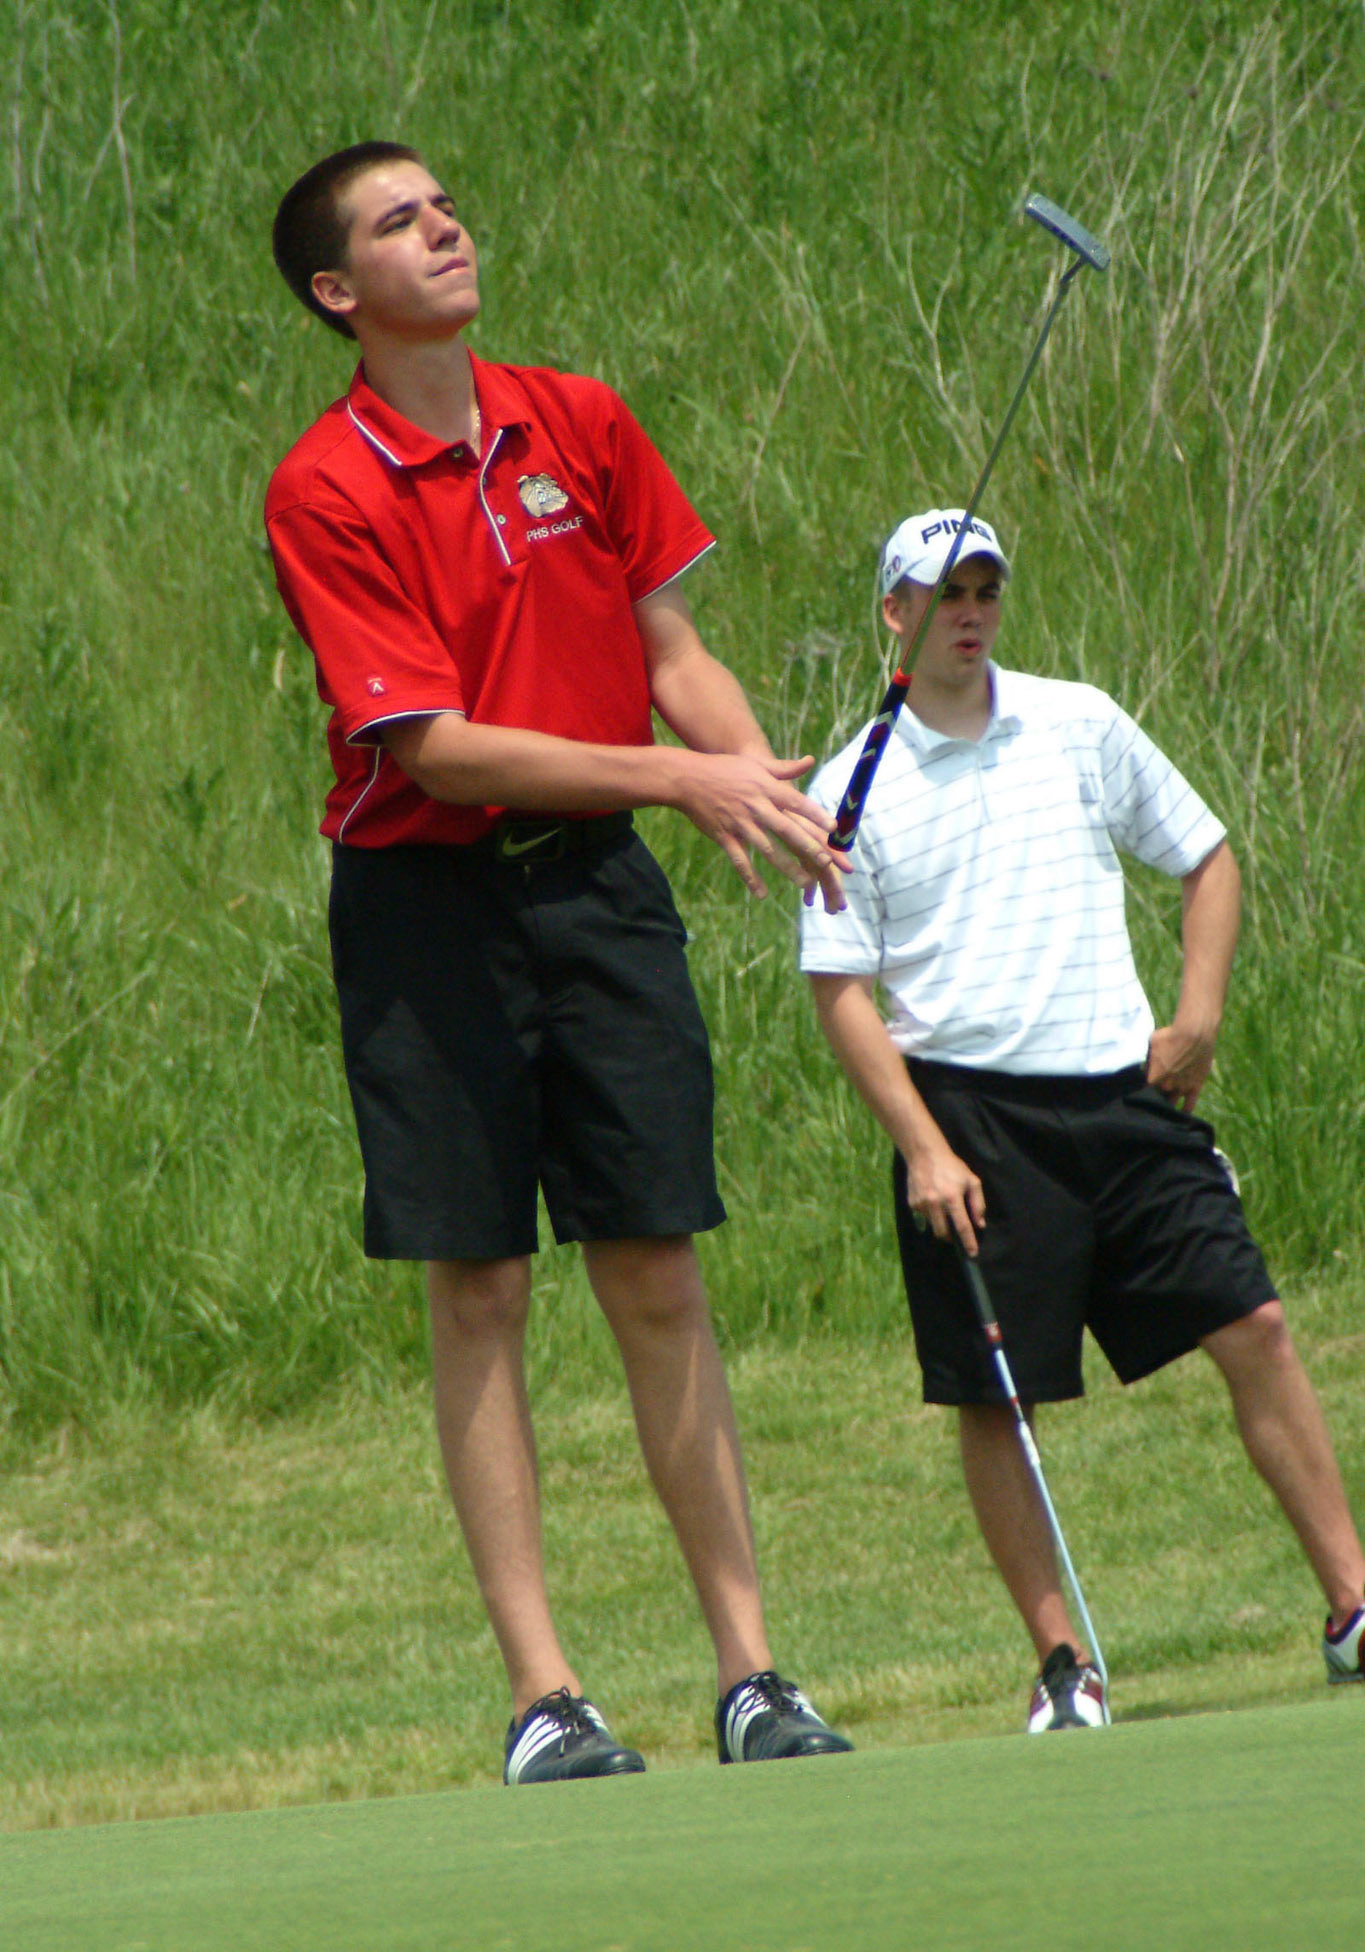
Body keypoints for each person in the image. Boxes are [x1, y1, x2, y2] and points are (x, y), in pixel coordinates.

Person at [264, 141, 854, 1782]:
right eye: (399, 223)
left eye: (446, 203)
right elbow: (440, 751)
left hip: (598, 892)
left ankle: (751, 1675)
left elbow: (674, 656)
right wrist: (693, 781)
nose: (443, 228)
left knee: (656, 1264)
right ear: (340, 293)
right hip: (423, 909)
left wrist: (774, 795)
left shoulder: (577, 419)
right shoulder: (326, 485)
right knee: (485, 1283)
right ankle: (547, 1699)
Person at [799, 506, 1365, 1731]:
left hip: (1124, 1094)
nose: (969, 609)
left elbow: (1206, 856)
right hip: (973, 1119)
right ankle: (1066, 1664)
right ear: (893, 613)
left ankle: (1354, 1605)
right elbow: (838, 984)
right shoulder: (853, 782)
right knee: (1001, 1400)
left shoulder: (1079, 720)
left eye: (986, 587)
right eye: (943, 590)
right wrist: (923, 1147)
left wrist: (1198, 1013)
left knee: (1256, 1321)